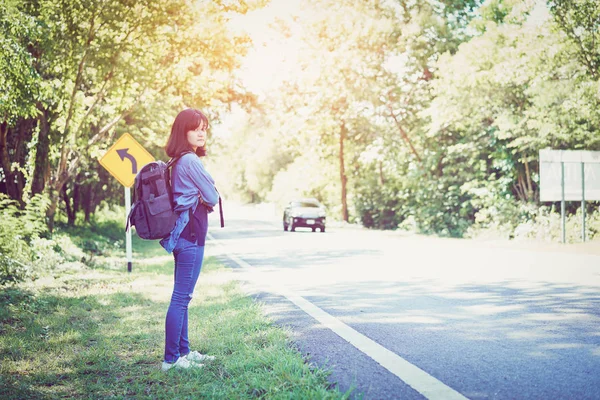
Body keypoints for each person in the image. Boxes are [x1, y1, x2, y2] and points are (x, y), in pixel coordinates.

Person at [159, 108, 219, 371]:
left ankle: (183, 352)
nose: (201, 132)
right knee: (181, 297)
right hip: (191, 235)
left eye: (204, 128)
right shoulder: (190, 161)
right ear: (183, 131)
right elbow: (213, 195)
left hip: (182, 235)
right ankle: (171, 360)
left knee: (183, 296)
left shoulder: (177, 161)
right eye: (196, 128)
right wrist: (206, 195)